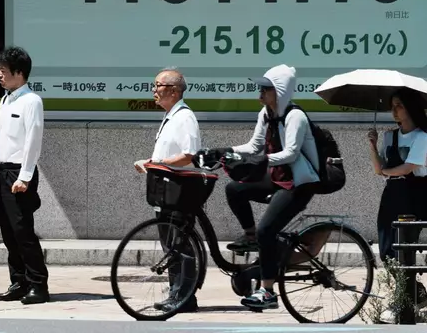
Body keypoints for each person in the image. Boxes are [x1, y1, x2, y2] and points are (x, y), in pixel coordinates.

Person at [201, 64, 320, 309]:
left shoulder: (295, 116)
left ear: (279, 91)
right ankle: (251, 235)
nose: (259, 96)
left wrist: (262, 160)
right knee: (235, 189)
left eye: (264, 90)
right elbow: (254, 146)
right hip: (277, 177)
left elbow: (291, 154)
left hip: (297, 184)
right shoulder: (266, 114)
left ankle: (267, 292)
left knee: (269, 230)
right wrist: (225, 151)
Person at [134, 67, 201, 313]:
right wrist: (152, 164)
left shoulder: (185, 117)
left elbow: (188, 154)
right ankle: (177, 293)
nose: (154, 90)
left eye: (158, 85)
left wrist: (156, 164)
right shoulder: (172, 116)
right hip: (166, 189)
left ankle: (184, 297)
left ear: (173, 90)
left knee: (179, 244)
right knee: (170, 245)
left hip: (180, 190)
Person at [0, 46, 49, 305]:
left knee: (23, 232)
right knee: (8, 232)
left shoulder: (31, 101)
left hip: (18, 175)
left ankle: (38, 285)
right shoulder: (6, 99)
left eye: (3, 71)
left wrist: (24, 177)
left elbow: (33, 142)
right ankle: (19, 281)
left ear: (19, 73)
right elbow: (7, 135)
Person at [368, 87, 427, 309]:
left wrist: (385, 171)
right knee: (386, 250)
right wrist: (373, 147)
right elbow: (378, 169)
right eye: (392, 105)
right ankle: (416, 292)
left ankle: (406, 300)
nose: (394, 110)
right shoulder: (389, 136)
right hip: (392, 194)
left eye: (399, 105)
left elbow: (408, 168)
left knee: (405, 248)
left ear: (411, 107)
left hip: (415, 194)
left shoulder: (422, 136)